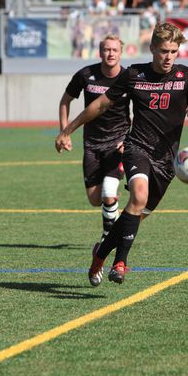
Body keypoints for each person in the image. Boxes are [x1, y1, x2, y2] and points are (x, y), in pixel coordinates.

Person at [55, 22, 188, 286]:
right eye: (164, 50)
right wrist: (68, 130)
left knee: (135, 215)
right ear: (152, 48)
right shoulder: (133, 75)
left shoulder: (186, 77)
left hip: (167, 161)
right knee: (138, 196)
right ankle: (120, 263)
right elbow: (100, 104)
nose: (168, 57)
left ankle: (100, 253)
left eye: (174, 51)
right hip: (136, 147)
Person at [58, 35, 131, 242]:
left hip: (118, 143)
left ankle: (109, 239)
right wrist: (65, 132)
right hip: (91, 144)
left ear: (120, 53)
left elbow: (141, 113)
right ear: (100, 52)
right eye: (106, 50)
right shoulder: (85, 74)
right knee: (94, 199)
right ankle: (113, 215)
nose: (110, 53)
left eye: (114, 50)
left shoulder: (128, 78)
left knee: (108, 191)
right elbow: (65, 101)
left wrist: (130, 140)